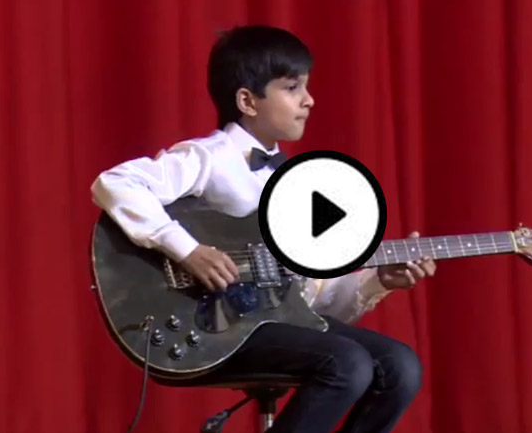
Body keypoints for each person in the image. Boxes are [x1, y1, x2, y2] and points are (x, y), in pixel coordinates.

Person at [91, 25, 436, 433]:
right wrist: (186, 249)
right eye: (292, 88)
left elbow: (313, 304)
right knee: (346, 363)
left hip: (279, 322)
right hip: (217, 324)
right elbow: (115, 184)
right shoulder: (209, 157)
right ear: (247, 101)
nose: (309, 100)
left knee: (400, 368)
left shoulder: (296, 184)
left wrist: (379, 280)